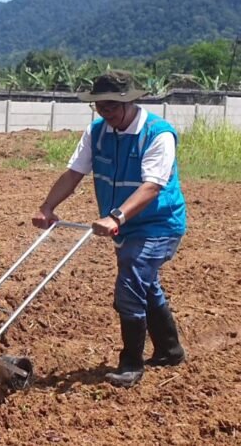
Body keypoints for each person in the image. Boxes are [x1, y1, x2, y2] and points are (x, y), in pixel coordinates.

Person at [32, 70, 187, 388]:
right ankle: (170, 350)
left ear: (130, 101)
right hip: (124, 224)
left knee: (130, 279)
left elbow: (152, 186)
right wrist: (47, 207)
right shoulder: (97, 132)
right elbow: (74, 174)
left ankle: (131, 363)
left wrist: (115, 217)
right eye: (99, 106)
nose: (105, 112)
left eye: (112, 106)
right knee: (144, 284)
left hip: (159, 224)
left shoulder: (158, 133)